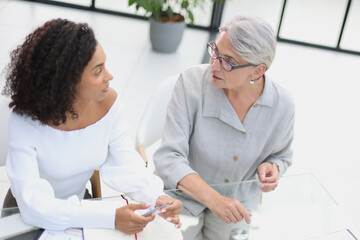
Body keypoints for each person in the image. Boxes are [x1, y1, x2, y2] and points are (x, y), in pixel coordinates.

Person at [1, 18, 182, 234]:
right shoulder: (26, 119)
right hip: (25, 217)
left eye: (105, 65)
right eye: (98, 71)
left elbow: (124, 162)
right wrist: (110, 218)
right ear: (67, 81)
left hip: (79, 208)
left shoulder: (108, 103)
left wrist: (155, 196)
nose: (109, 76)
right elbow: (34, 205)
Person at [153, 14, 295, 240]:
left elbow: (282, 156)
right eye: (215, 51)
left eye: (227, 61)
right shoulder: (190, 84)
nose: (214, 65)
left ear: (257, 71)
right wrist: (214, 199)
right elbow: (168, 157)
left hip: (238, 208)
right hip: (182, 199)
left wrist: (272, 168)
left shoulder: (282, 105)